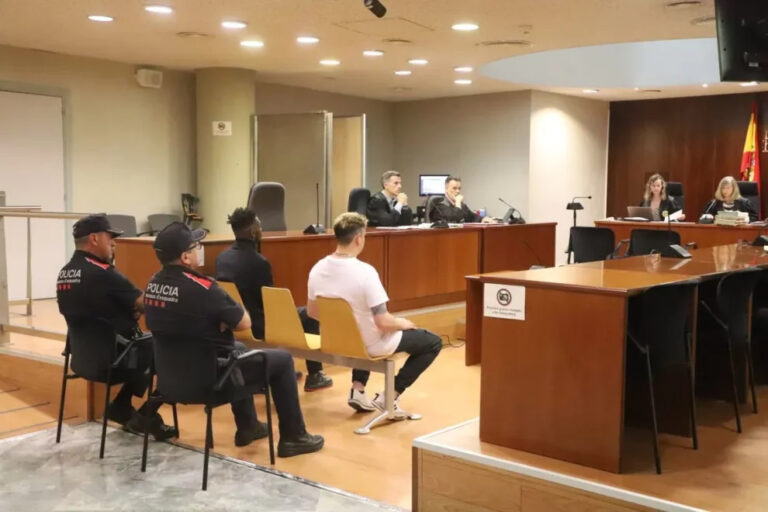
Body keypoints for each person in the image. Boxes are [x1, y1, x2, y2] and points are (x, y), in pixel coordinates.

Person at [143, 222, 324, 457]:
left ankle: (249, 426)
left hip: (172, 381)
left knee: (237, 348)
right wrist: (223, 320)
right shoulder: (203, 287)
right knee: (283, 360)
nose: (200, 249)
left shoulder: (152, 285)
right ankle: (294, 437)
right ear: (186, 257)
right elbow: (244, 323)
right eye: (196, 246)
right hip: (211, 382)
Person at [306, 212, 442, 417]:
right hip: (369, 344)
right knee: (432, 342)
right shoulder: (366, 272)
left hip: (336, 341)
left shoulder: (317, 268)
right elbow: (383, 322)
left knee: (363, 325)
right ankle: (391, 395)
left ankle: (358, 389)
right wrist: (403, 323)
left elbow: (312, 312)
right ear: (358, 238)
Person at [56, 214, 176, 440]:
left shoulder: (65, 273)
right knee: (172, 350)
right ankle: (147, 416)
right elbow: (145, 303)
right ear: (94, 238)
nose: (114, 243)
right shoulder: (104, 273)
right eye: (109, 238)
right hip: (114, 361)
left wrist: (126, 312)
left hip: (83, 359)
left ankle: (121, 405)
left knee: (143, 345)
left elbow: (93, 310)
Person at [215, 207, 332, 392]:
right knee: (310, 315)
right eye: (259, 226)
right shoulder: (259, 262)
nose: (261, 229)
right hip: (260, 325)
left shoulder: (222, 258)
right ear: (253, 231)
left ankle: (279, 370)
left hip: (235, 322)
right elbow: (268, 305)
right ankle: (315, 375)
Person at [429, 176, 496, 224]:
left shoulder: (462, 206)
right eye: (454, 188)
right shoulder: (439, 205)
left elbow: (472, 216)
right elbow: (455, 219)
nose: (458, 191)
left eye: (459, 188)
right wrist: (458, 202)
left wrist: (483, 219)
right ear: (446, 189)